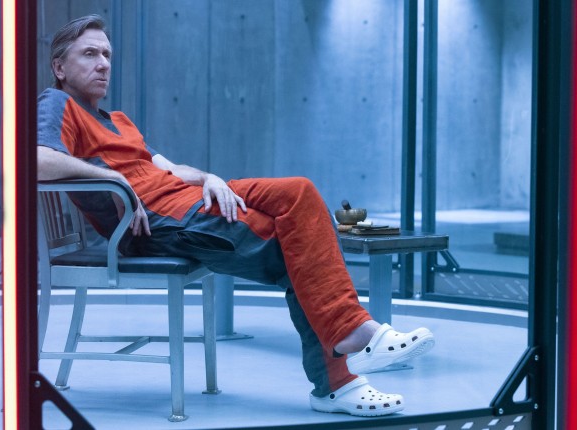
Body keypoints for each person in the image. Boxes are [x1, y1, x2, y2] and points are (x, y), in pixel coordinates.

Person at [37, 14, 435, 417]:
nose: (103, 64)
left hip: (188, 201)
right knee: (301, 250)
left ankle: (348, 340)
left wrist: (208, 177)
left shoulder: (119, 121)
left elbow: (168, 168)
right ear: (60, 67)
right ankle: (341, 374)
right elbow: (35, 160)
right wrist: (112, 177)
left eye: (107, 54)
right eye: (90, 54)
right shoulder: (57, 103)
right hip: (158, 224)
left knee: (299, 192)